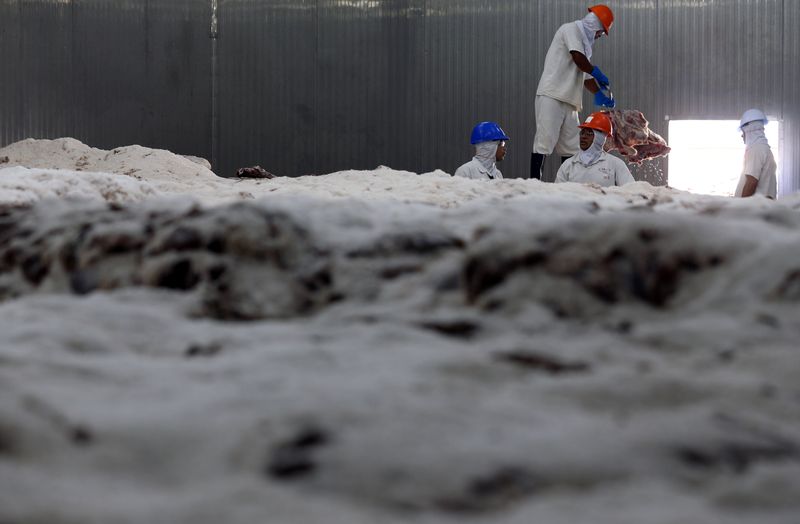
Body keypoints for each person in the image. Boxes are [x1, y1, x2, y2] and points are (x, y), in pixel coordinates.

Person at [531, 4, 616, 180]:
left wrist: (598, 93)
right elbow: (578, 59)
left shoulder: (585, 47)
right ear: (596, 25)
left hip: (570, 101)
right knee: (544, 142)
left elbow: (584, 74)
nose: (599, 36)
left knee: (571, 148)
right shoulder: (570, 29)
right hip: (552, 94)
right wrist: (596, 71)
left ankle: (567, 185)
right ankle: (534, 184)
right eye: (601, 32)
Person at [555, 111, 634, 186]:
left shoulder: (615, 164)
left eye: (589, 133)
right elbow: (556, 195)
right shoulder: (568, 165)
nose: (583, 137)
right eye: (582, 133)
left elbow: (631, 190)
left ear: (600, 138)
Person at [735, 109, 777, 199]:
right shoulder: (764, 149)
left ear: (749, 130)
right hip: (763, 207)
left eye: (743, 132)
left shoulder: (756, 149)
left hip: (754, 210)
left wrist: (740, 207)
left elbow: (752, 182)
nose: (742, 136)